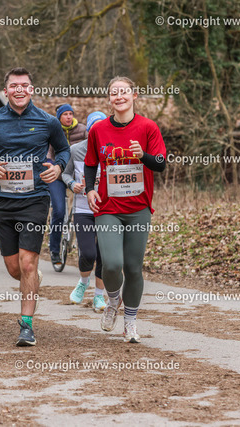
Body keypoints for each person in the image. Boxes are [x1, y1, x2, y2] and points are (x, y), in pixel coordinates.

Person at [0, 67, 70, 346]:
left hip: (35, 199)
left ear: (31, 89)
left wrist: (58, 168)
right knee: (15, 269)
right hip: (4, 203)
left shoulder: (48, 121)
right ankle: (31, 277)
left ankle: (27, 326)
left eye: (24, 85)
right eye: (14, 86)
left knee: (27, 263)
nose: (19, 89)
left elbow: (64, 149)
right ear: (6, 91)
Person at [85, 77, 167, 343]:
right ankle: (112, 300)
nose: (119, 96)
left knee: (132, 268)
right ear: (109, 98)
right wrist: (90, 189)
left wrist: (142, 155)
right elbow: (90, 163)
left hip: (138, 208)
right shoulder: (98, 130)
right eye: (114, 93)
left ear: (134, 95)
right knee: (111, 265)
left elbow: (160, 163)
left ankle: (130, 322)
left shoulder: (148, 127)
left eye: (124, 92)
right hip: (108, 207)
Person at [61, 111, 107, 311]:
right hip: (82, 209)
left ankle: (99, 296)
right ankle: (83, 282)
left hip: (107, 210)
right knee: (88, 253)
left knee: (104, 255)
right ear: (88, 131)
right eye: (93, 129)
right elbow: (65, 173)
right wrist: (72, 184)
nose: (97, 132)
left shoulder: (112, 150)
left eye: (101, 128)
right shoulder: (76, 150)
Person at [48, 104, 87, 268]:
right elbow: (48, 155)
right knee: (59, 211)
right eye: (65, 114)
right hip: (58, 174)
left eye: (71, 113)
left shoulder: (83, 130)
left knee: (87, 210)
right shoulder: (53, 130)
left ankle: (85, 247)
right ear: (59, 117)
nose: (69, 117)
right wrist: (52, 168)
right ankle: (54, 249)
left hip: (78, 174)